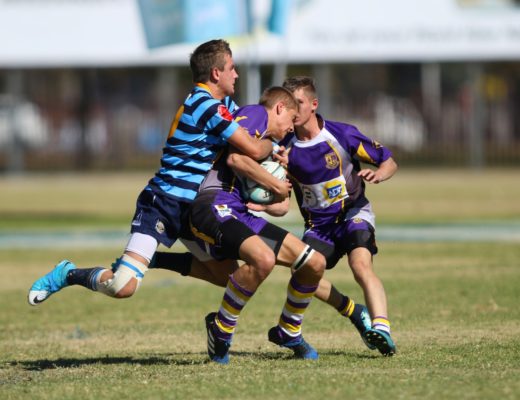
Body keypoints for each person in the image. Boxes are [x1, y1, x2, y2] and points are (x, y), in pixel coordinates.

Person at [27, 39, 281, 306]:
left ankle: (157, 259)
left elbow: (249, 138)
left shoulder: (225, 105)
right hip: (164, 202)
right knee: (122, 286)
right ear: (216, 73)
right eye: (232, 68)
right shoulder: (205, 105)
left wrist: (273, 151)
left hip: (194, 207)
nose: (236, 74)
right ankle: (67, 274)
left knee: (229, 277)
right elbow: (253, 147)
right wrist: (272, 144)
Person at [187, 86, 328, 364]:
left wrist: (277, 184)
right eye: (291, 119)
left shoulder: (271, 146)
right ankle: (221, 328)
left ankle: (289, 330)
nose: (291, 128)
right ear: (279, 108)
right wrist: (274, 182)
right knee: (262, 259)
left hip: (240, 211)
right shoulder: (256, 114)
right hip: (215, 203)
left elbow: (281, 207)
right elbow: (235, 158)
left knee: (315, 264)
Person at [277, 76, 398, 356]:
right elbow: (280, 201)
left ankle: (382, 328)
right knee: (302, 274)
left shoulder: (342, 135)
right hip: (318, 226)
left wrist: (380, 174)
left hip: (352, 213)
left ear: (314, 104)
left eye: (299, 103)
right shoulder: (283, 146)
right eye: (288, 104)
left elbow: (389, 161)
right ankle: (353, 310)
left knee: (361, 266)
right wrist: (262, 200)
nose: (293, 109)